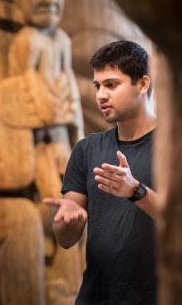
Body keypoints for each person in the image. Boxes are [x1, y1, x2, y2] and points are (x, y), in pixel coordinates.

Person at [44, 41, 158, 305]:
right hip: (95, 297)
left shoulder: (173, 147)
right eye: (97, 86)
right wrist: (67, 222)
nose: (100, 95)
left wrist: (136, 191)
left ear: (142, 84)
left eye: (111, 84)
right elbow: (65, 238)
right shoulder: (87, 149)